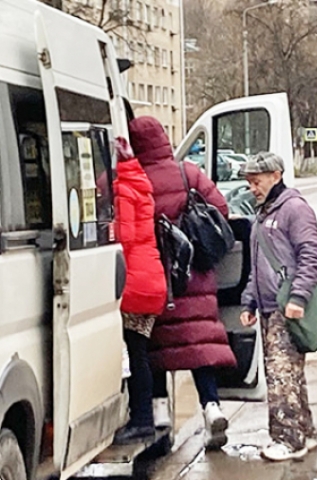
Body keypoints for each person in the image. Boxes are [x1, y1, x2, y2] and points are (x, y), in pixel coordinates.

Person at [128, 116, 237, 450]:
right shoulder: (186, 172)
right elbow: (221, 207)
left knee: (156, 347)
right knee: (197, 345)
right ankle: (211, 407)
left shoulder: (136, 179)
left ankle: (160, 416)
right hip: (195, 275)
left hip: (158, 277)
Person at [240, 151, 317, 462]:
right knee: (290, 374)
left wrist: (298, 298)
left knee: (280, 375)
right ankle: (306, 431)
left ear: (276, 175)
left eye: (256, 181)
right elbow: (257, 267)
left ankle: (288, 440)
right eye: (249, 183)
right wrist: (249, 300)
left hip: (285, 307)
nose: (252, 188)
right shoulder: (264, 214)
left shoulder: (294, 210)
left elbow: (311, 256)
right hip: (270, 307)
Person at [112, 137, 167, 444]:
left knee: (135, 354)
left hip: (135, 281)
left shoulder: (122, 189)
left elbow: (125, 237)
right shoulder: (141, 183)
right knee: (139, 352)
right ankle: (143, 417)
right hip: (150, 277)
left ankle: (141, 419)